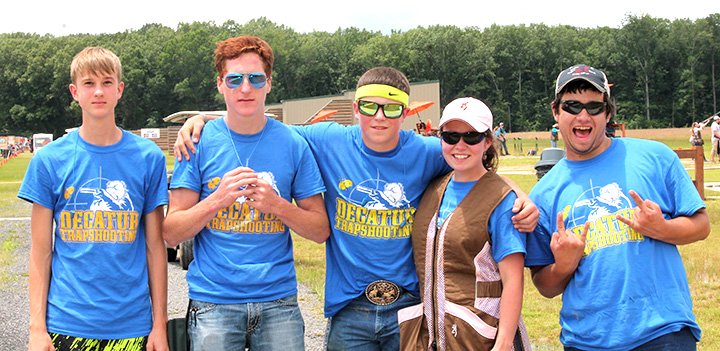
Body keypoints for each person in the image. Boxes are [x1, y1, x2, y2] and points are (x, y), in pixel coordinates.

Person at [173, 66, 539, 350]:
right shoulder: (327, 139)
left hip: (408, 307)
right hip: (350, 306)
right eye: (369, 106)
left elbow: (474, 163)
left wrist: (518, 196)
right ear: (355, 107)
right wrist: (204, 120)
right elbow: (259, 126)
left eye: (391, 107)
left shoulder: (428, 151)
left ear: (407, 111)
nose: (379, 117)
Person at [162, 36, 330, 351]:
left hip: (278, 301)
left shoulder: (293, 144)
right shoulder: (197, 143)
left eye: (255, 79)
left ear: (268, 83)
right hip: (214, 303)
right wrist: (218, 199)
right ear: (220, 84)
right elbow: (171, 232)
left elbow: (320, 230)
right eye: (235, 79)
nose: (245, 88)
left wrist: (278, 205)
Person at [525, 64, 710, 350]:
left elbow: (701, 225)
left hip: (663, 331)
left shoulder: (654, 156)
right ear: (555, 112)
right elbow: (545, 286)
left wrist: (662, 228)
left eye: (594, 107)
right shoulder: (543, 194)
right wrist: (564, 265)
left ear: (608, 113)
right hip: (588, 340)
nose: (583, 116)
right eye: (572, 105)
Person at [18, 47, 169, 351]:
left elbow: (155, 248)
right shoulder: (49, 160)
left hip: (132, 325)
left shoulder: (148, 157)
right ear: (75, 92)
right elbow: (40, 252)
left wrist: (159, 326)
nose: (98, 91)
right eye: (88, 83)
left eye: (107, 82)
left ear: (119, 89)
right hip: (67, 322)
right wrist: (37, 328)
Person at [398, 97, 531, 350]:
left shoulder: (502, 201)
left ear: (488, 141)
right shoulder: (434, 187)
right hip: (433, 336)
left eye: (471, 136)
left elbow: (513, 280)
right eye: (451, 136)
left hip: (480, 337)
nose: (460, 145)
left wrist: (503, 342)